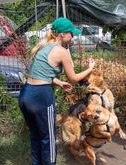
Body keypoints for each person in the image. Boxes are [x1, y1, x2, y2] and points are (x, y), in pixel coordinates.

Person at [18, 17, 95, 164]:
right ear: (62, 34)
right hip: (40, 97)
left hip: (26, 94)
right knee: (48, 138)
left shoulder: (43, 46)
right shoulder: (61, 51)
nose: (73, 36)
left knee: (35, 136)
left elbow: (39, 73)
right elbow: (73, 78)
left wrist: (59, 82)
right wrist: (90, 68)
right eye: (71, 33)